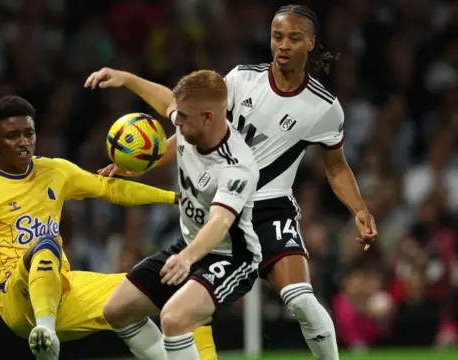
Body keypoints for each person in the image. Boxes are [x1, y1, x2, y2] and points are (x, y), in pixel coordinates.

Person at [85, 4, 378, 360]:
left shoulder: (323, 108)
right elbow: (189, 123)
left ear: (311, 43)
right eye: (277, 36)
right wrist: (143, 162)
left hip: (268, 207)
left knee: (300, 299)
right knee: (123, 311)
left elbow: (336, 166)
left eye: (293, 38)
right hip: (216, 206)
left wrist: (359, 208)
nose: (283, 45)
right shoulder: (241, 79)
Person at [0, 95, 218, 360]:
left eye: (29, 134)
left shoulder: (55, 171)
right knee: (46, 245)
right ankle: (45, 335)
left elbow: (110, 189)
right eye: (12, 136)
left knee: (177, 293)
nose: (23, 142)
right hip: (17, 300)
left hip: (64, 287)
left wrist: (174, 198)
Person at [96, 70, 261, 360]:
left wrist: (187, 258)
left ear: (208, 117)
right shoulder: (191, 122)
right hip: (188, 246)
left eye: (182, 116)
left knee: (173, 319)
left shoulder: (237, 166)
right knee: (118, 311)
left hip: (230, 256)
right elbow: (166, 103)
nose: (176, 120)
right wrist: (127, 79)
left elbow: (220, 223)